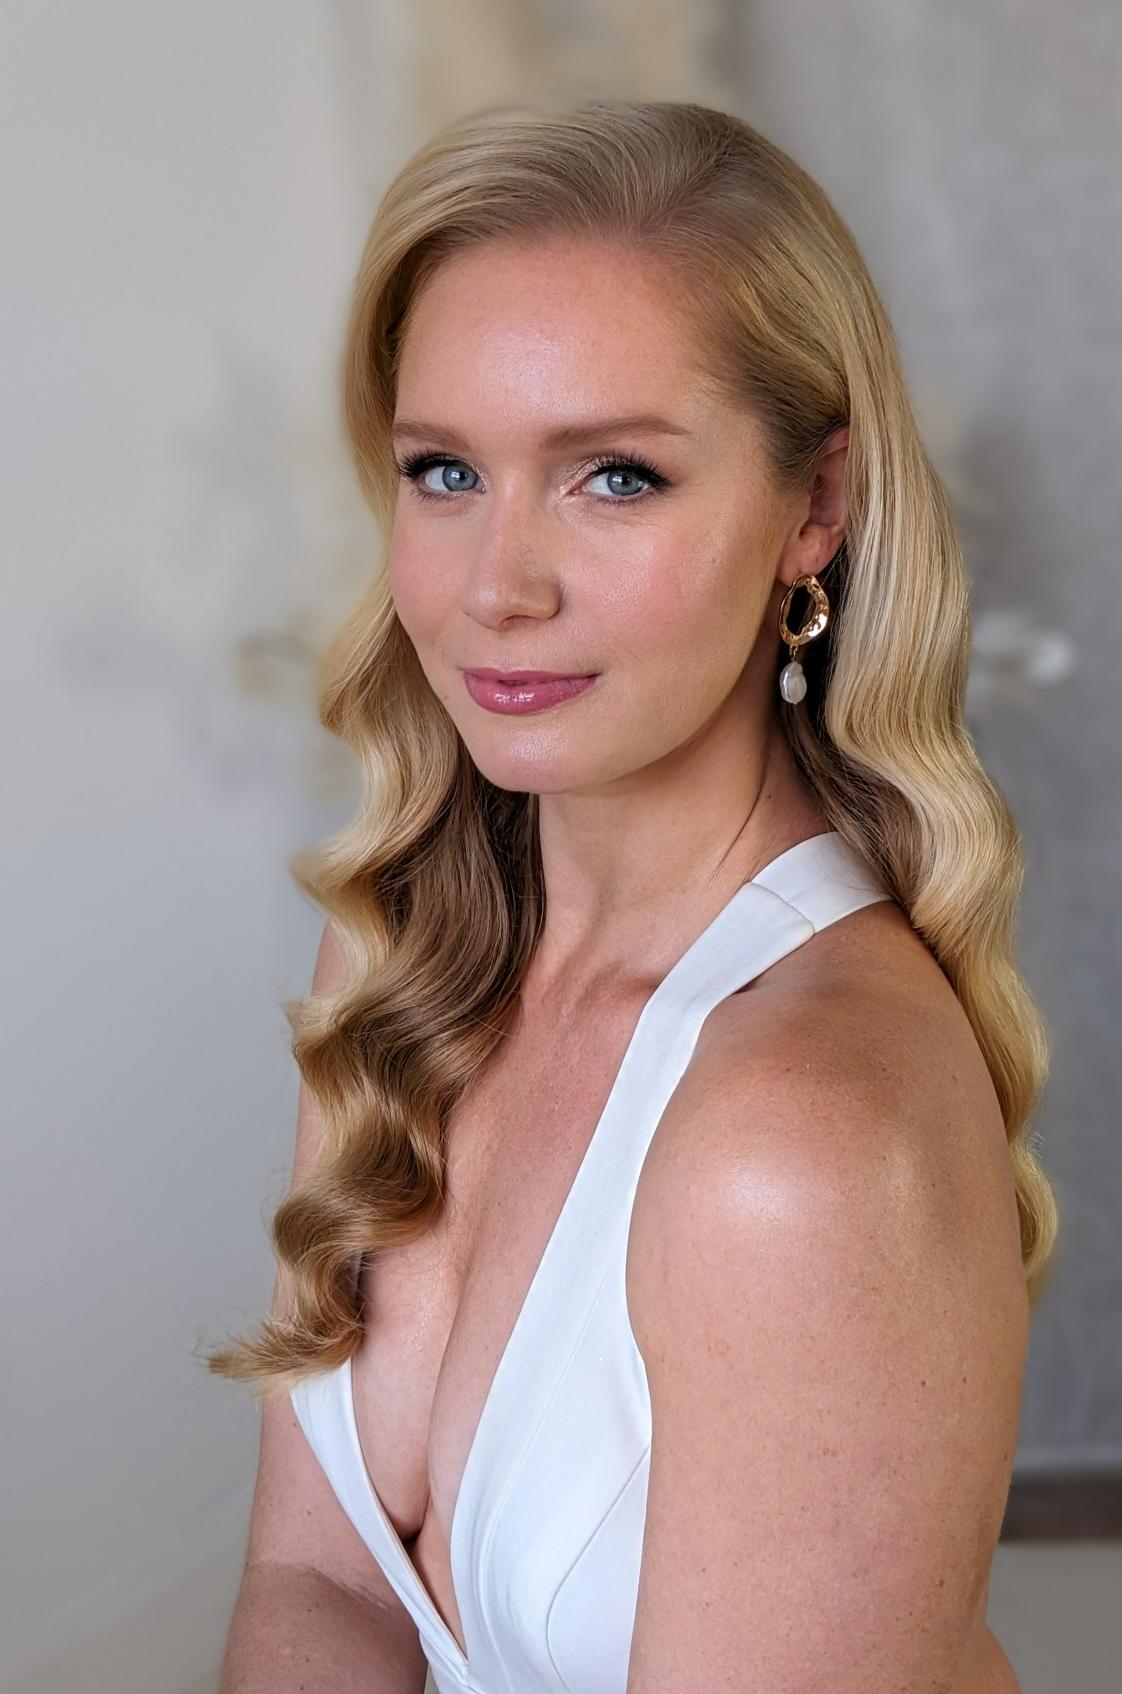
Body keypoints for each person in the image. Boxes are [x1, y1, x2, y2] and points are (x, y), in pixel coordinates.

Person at [208, 96, 1058, 1694]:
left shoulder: (794, 1139)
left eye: (613, 476)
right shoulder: (398, 963)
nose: (496, 586)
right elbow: (319, 1584)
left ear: (814, 507)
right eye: (444, 470)